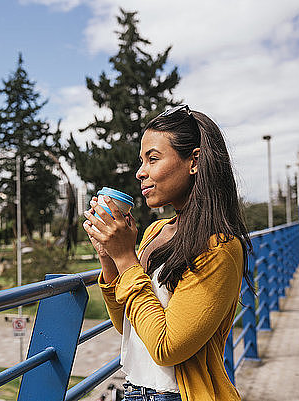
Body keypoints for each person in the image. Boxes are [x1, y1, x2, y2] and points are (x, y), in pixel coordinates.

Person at [82, 105, 253, 401]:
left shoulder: (220, 247)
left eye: (153, 158)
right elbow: (128, 323)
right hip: (135, 391)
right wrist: (110, 258)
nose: (141, 172)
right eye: (141, 160)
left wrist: (126, 258)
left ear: (194, 161)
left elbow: (167, 347)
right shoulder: (156, 232)